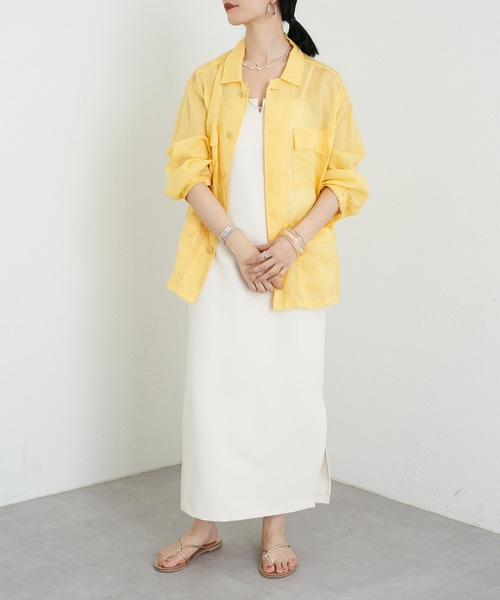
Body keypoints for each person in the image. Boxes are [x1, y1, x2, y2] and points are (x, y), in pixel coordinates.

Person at [154, 0, 368, 578]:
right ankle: (205, 523)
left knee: (286, 395)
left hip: (293, 270)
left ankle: (275, 528)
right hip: (221, 262)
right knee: (212, 393)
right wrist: (238, 244)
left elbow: (345, 181)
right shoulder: (206, 80)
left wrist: (292, 243)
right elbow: (186, 172)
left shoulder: (323, 84)